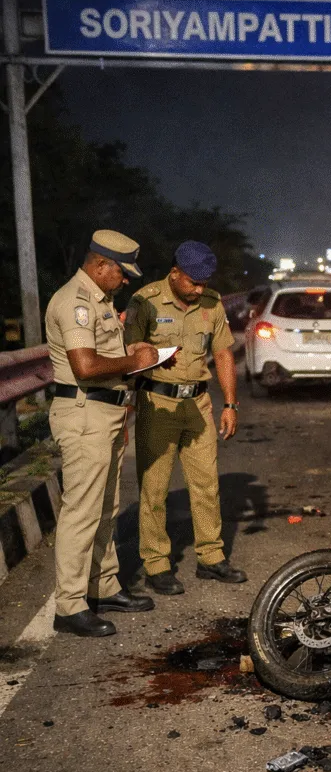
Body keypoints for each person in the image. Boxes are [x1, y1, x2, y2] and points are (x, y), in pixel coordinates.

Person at [45, 231, 158, 637]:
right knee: (81, 512)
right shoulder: (75, 302)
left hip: (107, 412)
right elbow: (86, 367)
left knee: (107, 506)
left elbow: (106, 359)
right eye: (121, 272)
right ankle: (70, 605)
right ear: (99, 265)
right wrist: (135, 361)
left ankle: (103, 585)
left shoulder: (101, 300)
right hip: (84, 413)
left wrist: (134, 365)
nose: (125, 280)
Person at [124, 241, 247, 594]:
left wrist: (230, 405)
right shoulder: (144, 301)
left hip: (198, 404)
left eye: (204, 283)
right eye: (193, 282)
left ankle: (211, 557)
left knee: (207, 484)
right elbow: (128, 353)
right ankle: (157, 564)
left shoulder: (211, 302)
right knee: (154, 488)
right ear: (175, 273)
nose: (199, 289)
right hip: (157, 403)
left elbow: (223, 354)